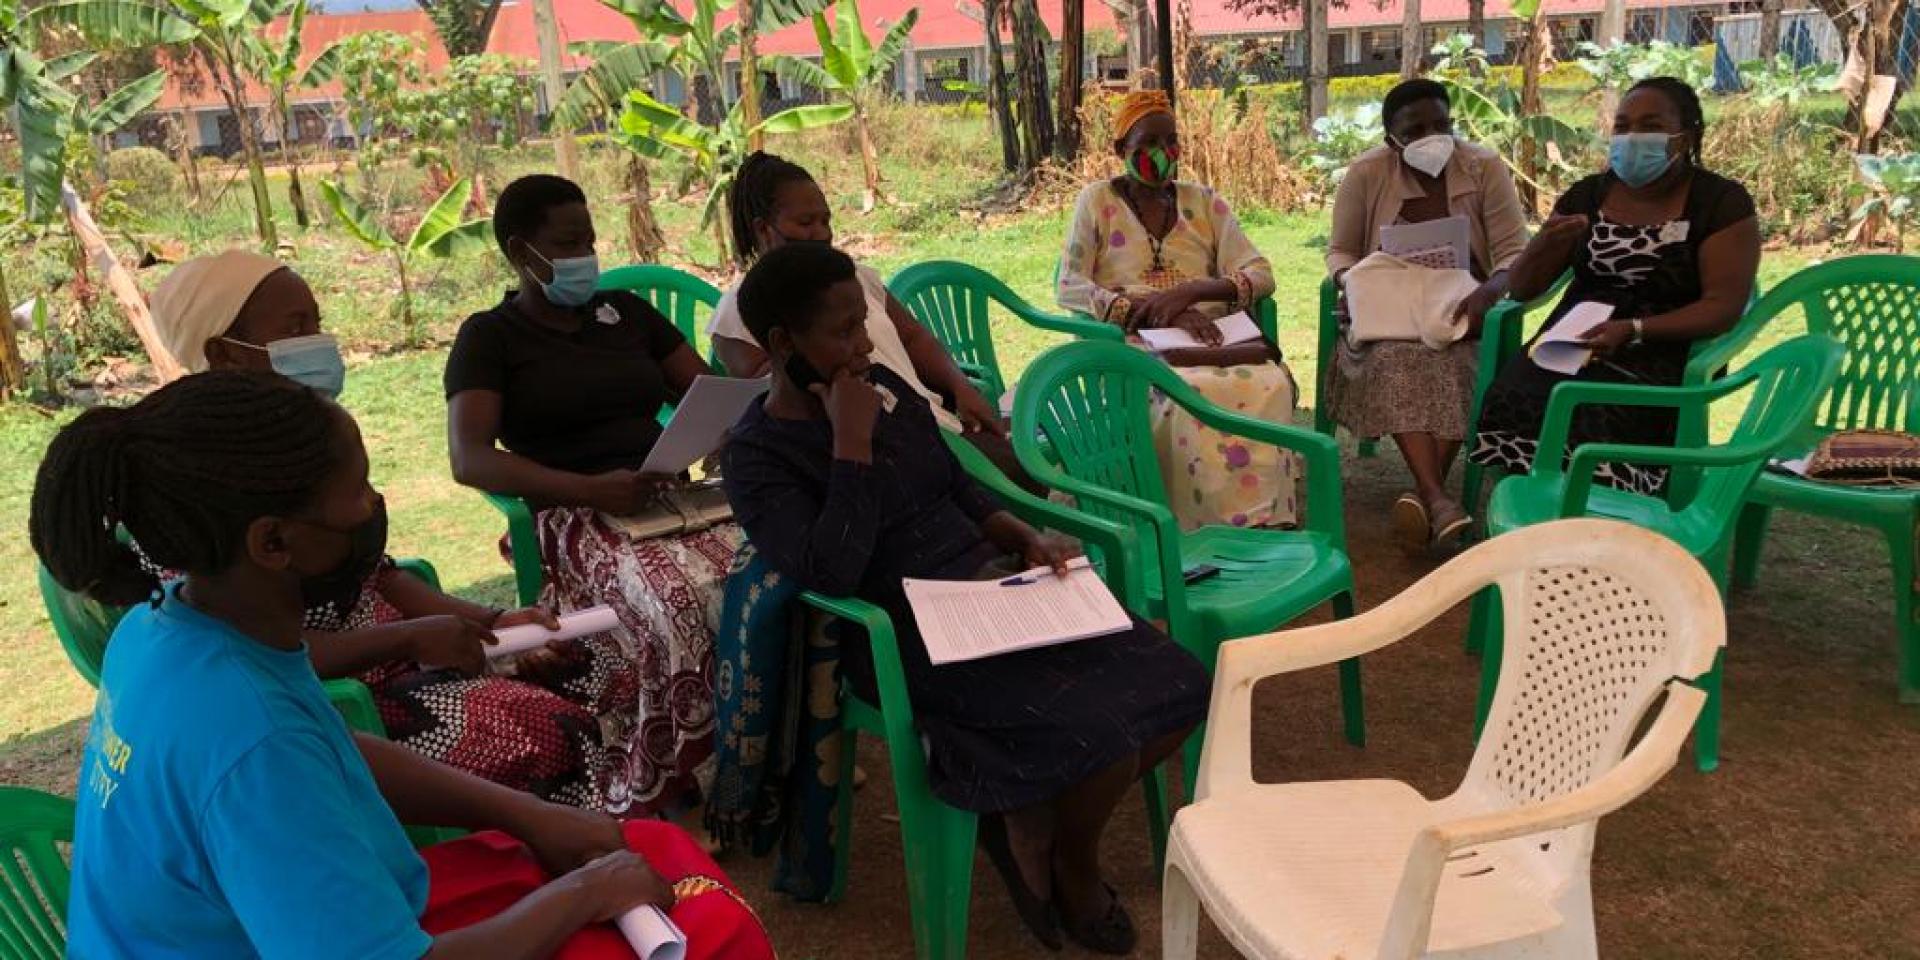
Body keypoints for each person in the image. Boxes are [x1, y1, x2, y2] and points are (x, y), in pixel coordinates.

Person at [32, 370, 774, 959]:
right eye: (356, 490)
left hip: (288, 922)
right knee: (713, 930)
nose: (372, 508)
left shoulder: (165, 629)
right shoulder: (248, 742)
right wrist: (582, 897)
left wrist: (527, 813)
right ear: (273, 543)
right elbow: (281, 765)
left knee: (641, 844)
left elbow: (326, 746)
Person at [720, 242, 1208, 955]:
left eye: (864, 323)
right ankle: (1069, 865)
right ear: (781, 344)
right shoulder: (757, 454)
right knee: (1097, 734)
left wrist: (1014, 530)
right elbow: (830, 575)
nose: (862, 346)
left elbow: (949, 481)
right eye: (842, 331)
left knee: (1181, 685)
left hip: (991, 586)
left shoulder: (882, 383)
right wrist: (849, 448)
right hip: (902, 628)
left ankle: (1045, 831)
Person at [148, 249, 619, 810]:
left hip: (402, 657)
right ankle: (549, 863)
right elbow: (249, 657)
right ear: (224, 354)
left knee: (590, 665)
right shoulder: (195, 484)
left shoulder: (305, 438)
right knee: (553, 728)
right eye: (297, 328)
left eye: (318, 322)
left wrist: (491, 622)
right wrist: (410, 639)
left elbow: (382, 577)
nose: (318, 342)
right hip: (339, 700)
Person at [445, 174, 740, 821]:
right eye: (568, 242)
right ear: (523, 253)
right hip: (574, 512)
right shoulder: (490, 338)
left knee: (761, 573)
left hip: (668, 495)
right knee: (673, 600)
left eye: (589, 240)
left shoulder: (626, 315)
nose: (585, 256)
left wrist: (714, 429)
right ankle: (695, 764)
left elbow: (702, 390)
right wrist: (588, 489)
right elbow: (470, 458)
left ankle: (763, 742)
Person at [1469, 77, 1759, 496]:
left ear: (1686, 134)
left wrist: (1636, 329)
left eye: (1650, 124)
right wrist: (1541, 248)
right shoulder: (1588, 195)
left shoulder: (1719, 202)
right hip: (1574, 340)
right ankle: (1534, 506)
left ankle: (1602, 511)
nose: (1632, 137)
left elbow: (1724, 305)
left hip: (1664, 346)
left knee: (1596, 410)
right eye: (1622, 126)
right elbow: (1525, 288)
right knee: (1515, 392)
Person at [707, 150, 1042, 493]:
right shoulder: (739, 313)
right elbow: (769, 398)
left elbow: (912, 337)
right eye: (806, 224)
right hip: (865, 450)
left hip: (926, 424)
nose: (822, 234)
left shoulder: (854, 279)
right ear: (764, 229)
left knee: (1029, 472)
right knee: (1009, 485)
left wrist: (961, 387)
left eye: (826, 220)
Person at [1056, 89, 1301, 530]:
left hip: (1211, 333)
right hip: (1134, 337)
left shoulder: (1204, 202)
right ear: (1119, 151)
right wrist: (1152, 307)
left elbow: (1261, 272)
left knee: (1270, 383)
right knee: (1179, 396)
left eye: (1171, 141)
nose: (1163, 154)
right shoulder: (1096, 202)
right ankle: (1197, 523)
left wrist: (1195, 292)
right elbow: (1069, 284)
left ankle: (1261, 517)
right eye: (1147, 144)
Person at [1324, 78, 1530, 546]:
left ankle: (1429, 498)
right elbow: (1340, 252)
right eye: (1415, 130)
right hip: (1389, 318)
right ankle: (1437, 497)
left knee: (1460, 364)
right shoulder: (1367, 173)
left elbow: (1514, 254)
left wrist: (1486, 294)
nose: (1431, 137)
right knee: (1395, 361)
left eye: (1442, 125)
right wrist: (1352, 282)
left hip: (1463, 309)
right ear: (1390, 138)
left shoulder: (1483, 167)